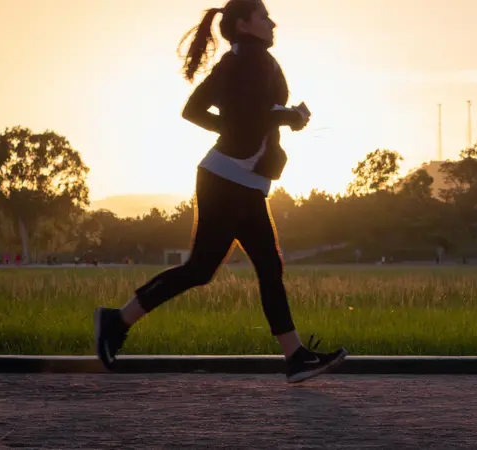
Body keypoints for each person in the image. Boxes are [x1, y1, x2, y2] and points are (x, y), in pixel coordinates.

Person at [94, 0, 347, 383]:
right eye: (264, 16)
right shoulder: (245, 62)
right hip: (226, 180)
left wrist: (257, 125)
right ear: (245, 24)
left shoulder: (246, 60)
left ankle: (295, 356)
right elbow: (236, 114)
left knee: (269, 266)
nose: (273, 22)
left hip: (241, 180)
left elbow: (204, 112)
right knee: (201, 269)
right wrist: (285, 117)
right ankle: (116, 320)